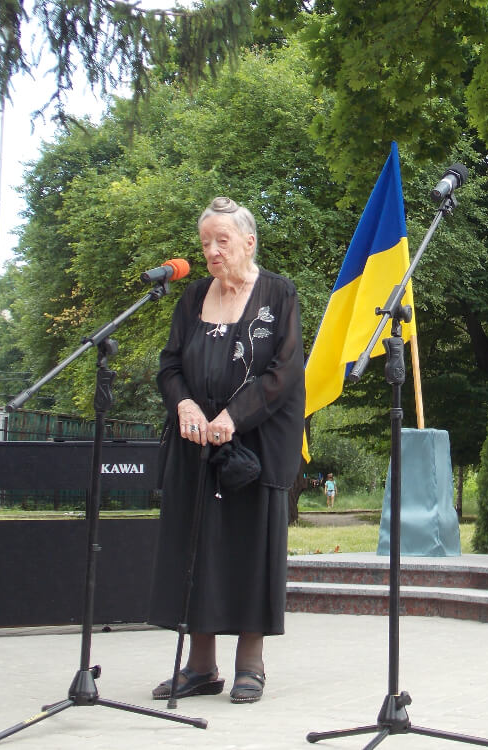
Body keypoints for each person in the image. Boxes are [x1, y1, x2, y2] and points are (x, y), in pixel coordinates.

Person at [148, 196, 305, 704]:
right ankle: (199, 667)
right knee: (197, 550)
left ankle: (250, 664)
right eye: (206, 243)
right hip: (196, 447)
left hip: (253, 449)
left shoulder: (278, 294)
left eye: (222, 241)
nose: (213, 252)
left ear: (248, 242)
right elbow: (169, 366)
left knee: (249, 550)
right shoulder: (192, 297)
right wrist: (186, 406)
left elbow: (284, 373)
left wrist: (233, 418)